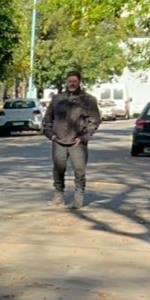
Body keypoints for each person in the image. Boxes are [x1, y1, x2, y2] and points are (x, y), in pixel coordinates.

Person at [42, 71, 101, 209]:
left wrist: (84, 137)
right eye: (70, 81)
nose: (72, 84)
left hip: (78, 142)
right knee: (58, 169)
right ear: (66, 82)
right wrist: (50, 134)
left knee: (79, 170)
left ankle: (78, 197)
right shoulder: (57, 99)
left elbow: (94, 120)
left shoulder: (88, 100)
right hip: (59, 141)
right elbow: (48, 117)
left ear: (79, 82)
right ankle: (58, 196)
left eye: (75, 81)